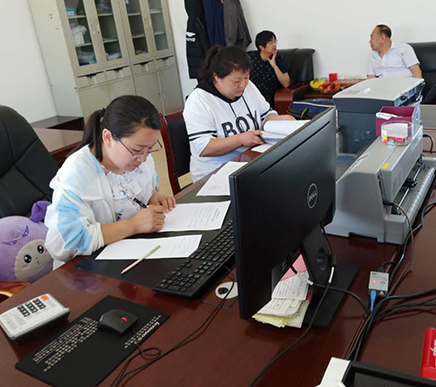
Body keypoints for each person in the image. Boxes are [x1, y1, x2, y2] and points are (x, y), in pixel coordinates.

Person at [45, 95, 176, 268]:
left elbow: (135, 193)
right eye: (137, 149)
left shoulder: (139, 159)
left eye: (150, 149)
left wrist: (152, 197)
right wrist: (132, 225)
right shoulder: (77, 173)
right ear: (107, 137)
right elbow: (63, 243)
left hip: (136, 253)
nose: (144, 158)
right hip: (88, 271)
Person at [184, 45, 295, 182]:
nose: (243, 85)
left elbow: (265, 115)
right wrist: (240, 139)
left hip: (250, 163)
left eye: (246, 77)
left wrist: (282, 120)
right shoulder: (199, 100)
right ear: (216, 76)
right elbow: (205, 148)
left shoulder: (248, 87)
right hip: (214, 174)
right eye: (236, 81)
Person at [248, 30, 290, 106]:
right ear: (261, 47)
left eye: (275, 41)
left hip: (269, 94)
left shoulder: (279, 58)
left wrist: (274, 66)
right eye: (271, 43)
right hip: (252, 92)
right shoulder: (251, 58)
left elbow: (286, 84)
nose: (274, 45)